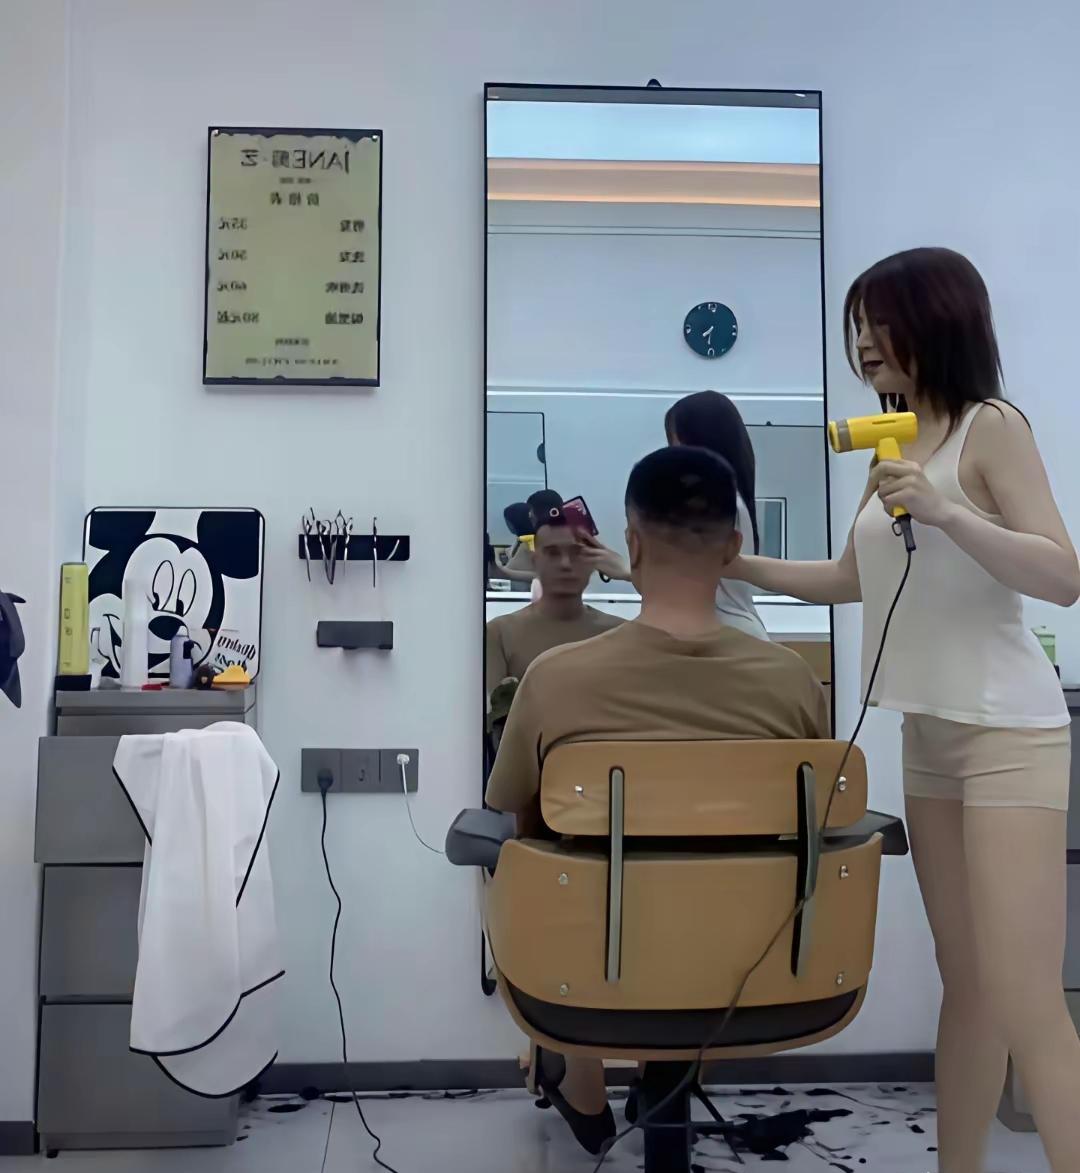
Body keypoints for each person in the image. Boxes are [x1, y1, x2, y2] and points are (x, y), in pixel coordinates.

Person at [730, 246, 1080, 1173]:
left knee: (1025, 998)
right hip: (926, 735)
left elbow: (1063, 574)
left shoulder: (990, 427)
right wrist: (736, 564)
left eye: (879, 323)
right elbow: (852, 576)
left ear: (937, 321)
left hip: (1009, 735)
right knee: (966, 988)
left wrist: (950, 511)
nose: (863, 343)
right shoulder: (893, 437)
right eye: (858, 326)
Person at [486, 445, 828, 1155]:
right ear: (734, 546)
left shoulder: (554, 679)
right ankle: (660, 1076)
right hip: (747, 969)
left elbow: (512, 810)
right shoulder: (792, 682)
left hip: (597, 964)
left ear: (631, 545)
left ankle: (579, 1069)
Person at [581, 390, 768, 639]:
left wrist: (629, 568)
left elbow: (685, 587)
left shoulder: (719, 506)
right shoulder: (732, 502)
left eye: (675, 444)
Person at [485, 508, 623, 700]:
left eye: (576, 552)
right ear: (535, 561)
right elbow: (492, 713)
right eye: (553, 553)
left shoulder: (620, 633)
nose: (565, 563)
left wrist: (628, 574)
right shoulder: (499, 634)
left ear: (593, 562)